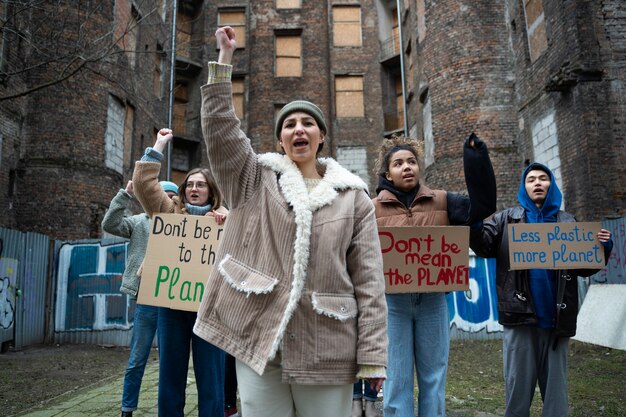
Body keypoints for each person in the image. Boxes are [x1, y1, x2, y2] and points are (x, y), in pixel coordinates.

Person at [192, 26, 388, 417]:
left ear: (321, 136)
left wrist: (372, 355)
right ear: (280, 139)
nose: (299, 128)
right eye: (289, 124)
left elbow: (368, 279)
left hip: (327, 342)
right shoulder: (254, 177)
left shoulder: (353, 197)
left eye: (307, 122)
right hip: (259, 334)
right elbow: (221, 131)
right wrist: (225, 60)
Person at [469, 162, 613, 417]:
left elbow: (584, 269)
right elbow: (484, 246)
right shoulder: (506, 219)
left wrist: (603, 248)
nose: (537, 182)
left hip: (557, 322)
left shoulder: (568, 222)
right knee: (517, 395)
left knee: (557, 400)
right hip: (520, 320)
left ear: (551, 185)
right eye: (531, 179)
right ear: (523, 187)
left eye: (543, 178)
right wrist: (474, 226)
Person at [372, 133, 496, 417]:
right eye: (399, 163)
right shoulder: (371, 208)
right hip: (393, 305)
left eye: (412, 161)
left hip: (433, 303)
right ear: (387, 174)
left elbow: (483, 208)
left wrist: (476, 160)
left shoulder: (444, 201)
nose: (407, 167)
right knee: (396, 382)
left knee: (433, 379)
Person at [132, 131, 227, 417]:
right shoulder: (168, 211)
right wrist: (159, 146)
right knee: (170, 374)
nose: (194, 189)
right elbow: (144, 184)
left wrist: (228, 220)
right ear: (183, 190)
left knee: (211, 376)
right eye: (190, 185)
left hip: (210, 308)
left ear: (211, 191)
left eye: (201, 185)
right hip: (171, 305)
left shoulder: (224, 219)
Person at [101, 179, 178, 417]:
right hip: (146, 298)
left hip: (173, 300)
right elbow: (110, 224)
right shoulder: (139, 222)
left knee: (170, 361)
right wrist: (126, 194)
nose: (163, 199)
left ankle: (168, 409)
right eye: (159, 194)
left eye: (169, 195)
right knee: (137, 358)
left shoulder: (184, 223)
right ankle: (127, 409)